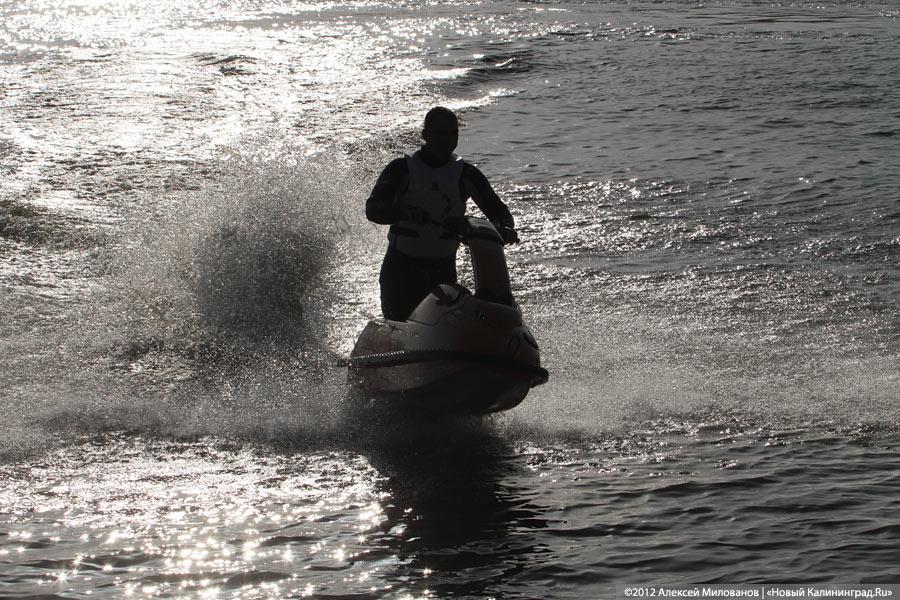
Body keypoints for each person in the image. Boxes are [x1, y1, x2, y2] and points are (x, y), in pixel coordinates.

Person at [366, 107, 517, 321]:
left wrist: (504, 228)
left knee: (442, 322)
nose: (447, 140)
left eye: (452, 134)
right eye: (441, 133)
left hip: (442, 270)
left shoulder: (466, 174)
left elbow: (499, 212)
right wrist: (403, 213)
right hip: (401, 269)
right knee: (400, 321)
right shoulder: (401, 169)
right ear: (425, 135)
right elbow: (373, 209)